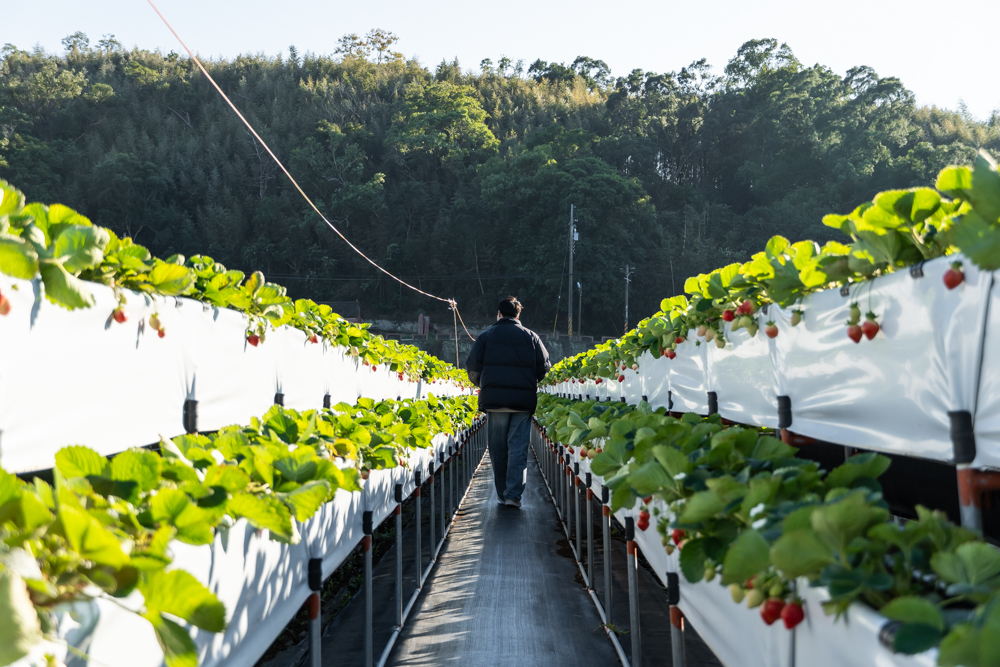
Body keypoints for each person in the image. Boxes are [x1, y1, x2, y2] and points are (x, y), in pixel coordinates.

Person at [466, 296, 551, 508]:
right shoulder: (532, 337)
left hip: (495, 403)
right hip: (522, 403)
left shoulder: (486, 337)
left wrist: (486, 385)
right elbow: (544, 367)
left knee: (497, 448)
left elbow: (473, 368)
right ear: (518, 315)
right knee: (518, 447)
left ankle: (503, 493)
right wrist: (529, 382)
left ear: (499, 313)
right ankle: (514, 495)